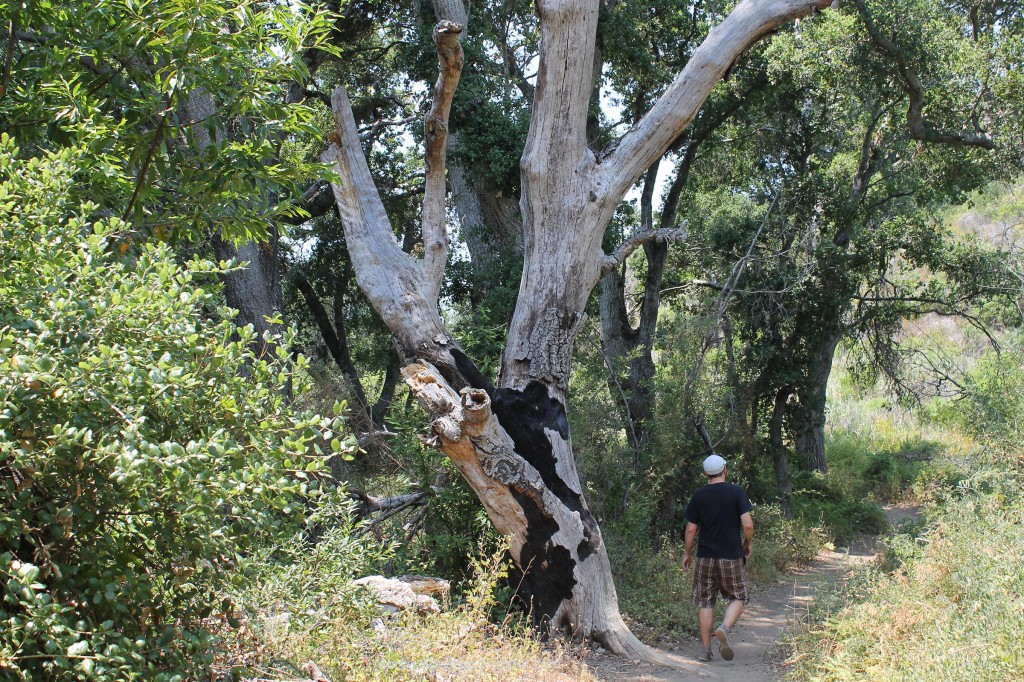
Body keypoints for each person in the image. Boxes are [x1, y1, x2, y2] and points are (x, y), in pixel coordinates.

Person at [682, 453, 754, 663]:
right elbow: (747, 524)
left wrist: (687, 553)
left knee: (705, 602)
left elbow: (690, 529)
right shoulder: (736, 492)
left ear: (706, 474)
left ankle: (705, 651)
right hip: (731, 555)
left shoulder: (699, 495)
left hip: (705, 557)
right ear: (725, 470)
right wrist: (747, 543)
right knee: (739, 595)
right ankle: (724, 628)